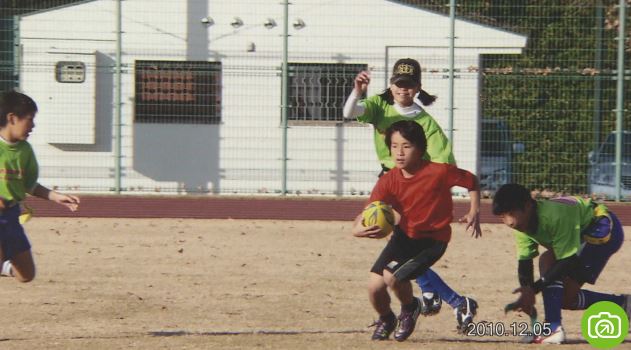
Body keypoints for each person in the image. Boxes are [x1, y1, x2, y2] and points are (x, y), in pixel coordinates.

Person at [344, 58, 476, 330]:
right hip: (391, 181)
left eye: (409, 85)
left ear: (417, 88)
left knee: (406, 248)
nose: (403, 89)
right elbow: (349, 112)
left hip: (413, 189)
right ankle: (435, 296)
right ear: (391, 85)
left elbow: (445, 166)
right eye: (398, 84)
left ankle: (452, 300)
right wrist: (358, 90)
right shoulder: (380, 107)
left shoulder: (426, 124)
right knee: (404, 249)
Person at [351, 120, 481, 341]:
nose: (399, 152)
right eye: (394, 146)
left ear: (420, 149)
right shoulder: (389, 180)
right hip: (403, 237)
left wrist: (474, 210)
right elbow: (369, 210)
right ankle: (387, 318)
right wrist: (357, 229)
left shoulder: (438, 172)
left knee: (393, 277)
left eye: (406, 146)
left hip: (432, 240)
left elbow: (471, 181)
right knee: (374, 287)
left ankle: (410, 308)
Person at [492, 183, 631, 344]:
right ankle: (624, 305)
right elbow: (525, 261)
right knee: (565, 299)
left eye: (511, 213)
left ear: (528, 206)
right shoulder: (522, 226)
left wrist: (534, 289)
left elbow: (568, 260)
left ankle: (553, 327)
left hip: (601, 229)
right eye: (502, 217)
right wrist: (526, 292)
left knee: (547, 262)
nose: (509, 222)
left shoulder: (555, 216)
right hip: (580, 234)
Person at [0, 90, 80, 282]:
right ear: (12, 118)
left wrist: (55, 196)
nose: (33, 125)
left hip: (11, 217)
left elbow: (30, 185)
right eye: (30, 119)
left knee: (26, 275)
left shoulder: (25, 151)